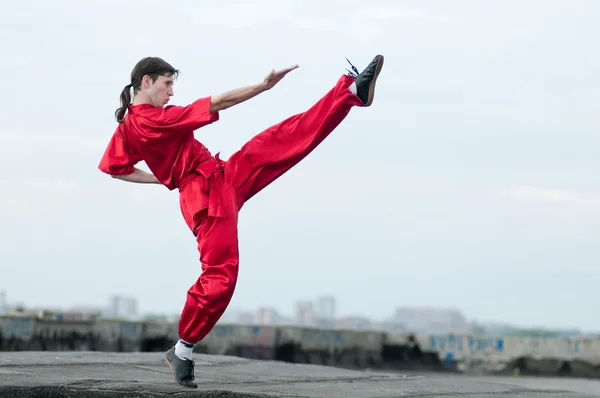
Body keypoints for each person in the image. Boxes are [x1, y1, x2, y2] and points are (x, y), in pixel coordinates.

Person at [98, 54, 384, 388]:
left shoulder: (128, 126)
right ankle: (183, 349)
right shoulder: (153, 120)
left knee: (280, 141)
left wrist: (161, 179)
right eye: (167, 84)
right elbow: (221, 101)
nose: (171, 92)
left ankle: (349, 92)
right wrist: (263, 86)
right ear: (146, 82)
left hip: (222, 176)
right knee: (221, 275)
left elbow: (113, 168)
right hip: (205, 198)